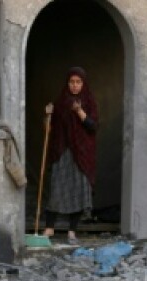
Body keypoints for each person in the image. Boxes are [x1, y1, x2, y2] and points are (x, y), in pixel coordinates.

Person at [42, 66, 98, 245]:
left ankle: (72, 230)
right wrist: (47, 116)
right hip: (63, 151)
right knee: (57, 187)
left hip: (82, 154)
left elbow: (93, 127)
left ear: (83, 83)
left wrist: (79, 112)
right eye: (72, 82)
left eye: (78, 82)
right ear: (67, 84)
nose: (75, 86)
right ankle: (50, 227)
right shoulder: (61, 102)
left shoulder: (89, 102)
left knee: (78, 190)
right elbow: (49, 129)